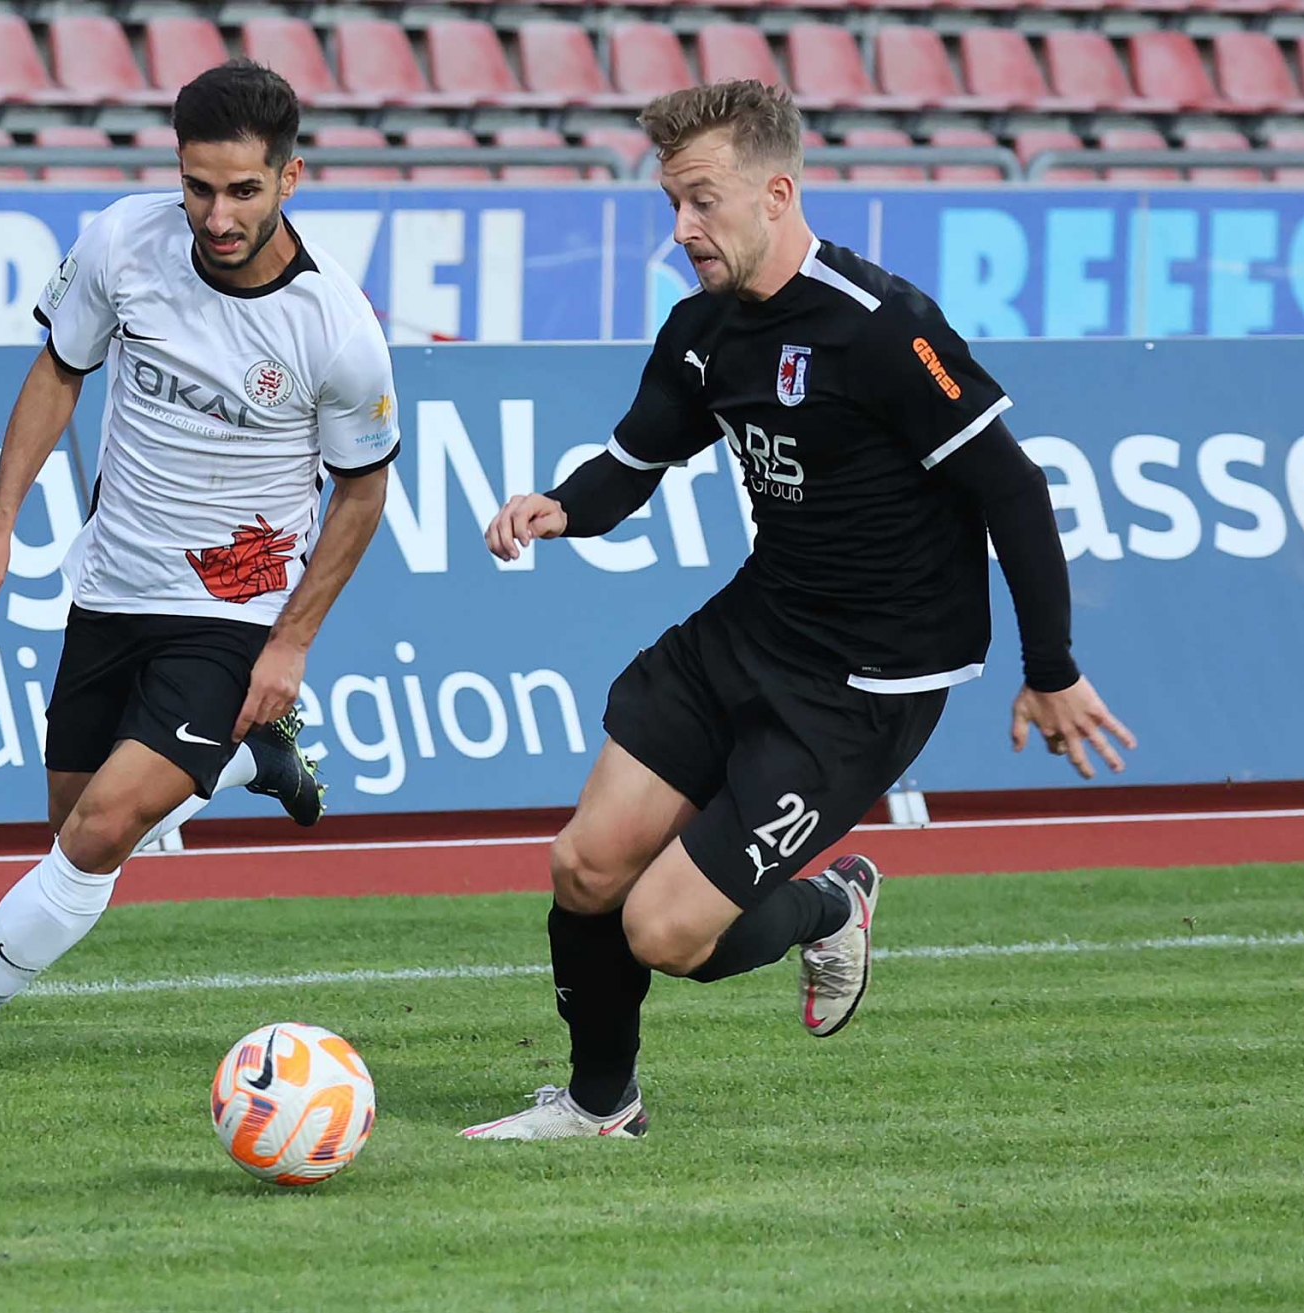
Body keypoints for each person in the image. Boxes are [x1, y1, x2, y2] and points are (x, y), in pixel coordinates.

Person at [460, 80, 1135, 1141]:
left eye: (703, 201)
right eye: (672, 203)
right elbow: (639, 457)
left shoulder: (882, 329)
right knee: (584, 863)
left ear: (776, 192)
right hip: (753, 628)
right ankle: (600, 1105)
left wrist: (1049, 667)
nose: (683, 228)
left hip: (864, 684)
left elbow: (1012, 487)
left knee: (664, 929)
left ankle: (833, 903)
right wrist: (561, 508)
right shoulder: (703, 330)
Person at [0, 61, 401, 1114]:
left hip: (233, 608)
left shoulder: (335, 325)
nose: (217, 213)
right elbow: (61, 369)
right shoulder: (120, 243)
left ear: (291, 178)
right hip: (111, 585)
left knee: (102, 829)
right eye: (199, 186)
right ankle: (251, 762)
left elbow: (363, 491)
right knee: (73, 821)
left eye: (244, 190)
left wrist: (290, 641)